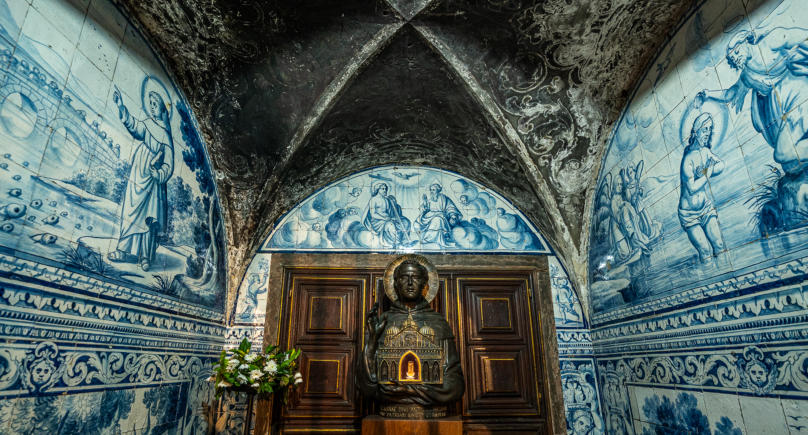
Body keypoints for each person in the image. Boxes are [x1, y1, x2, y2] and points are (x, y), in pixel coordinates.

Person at [358, 257, 464, 417]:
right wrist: (372, 341)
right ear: (395, 284)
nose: (409, 282)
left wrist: (408, 389)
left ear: (424, 285)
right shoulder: (382, 322)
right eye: (403, 277)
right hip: (389, 411)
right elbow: (366, 386)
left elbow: (455, 384)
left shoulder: (438, 323)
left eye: (415, 277)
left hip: (431, 413)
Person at [696, 27, 808, 175]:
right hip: (783, 109)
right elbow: (730, 94)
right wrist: (707, 94)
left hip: (797, 96)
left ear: (745, 41)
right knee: (789, 164)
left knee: (783, 154)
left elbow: (803, 37)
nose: (735, 58)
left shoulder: (771, 42)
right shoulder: (747, 75)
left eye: (736, 51)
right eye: (732, 58)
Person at [108, 85, 174, 271]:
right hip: (138, 171)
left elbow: (169, 164)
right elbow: (134, 126)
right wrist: (122, 107)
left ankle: (145, 256)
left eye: (156, 104)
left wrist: (159, 174)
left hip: (153, 180)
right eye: (151, 104)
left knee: (148, 217)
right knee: (129, 210)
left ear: (163, 109)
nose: (153, 107)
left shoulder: (166, 137)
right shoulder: (147, 124)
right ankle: (123, 250)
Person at [678, 113, 725, 262]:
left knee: (719, 245)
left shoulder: (705, 152)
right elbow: (691, 188)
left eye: (710, 129)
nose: (708, 133)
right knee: (705, 252)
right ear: (696, 131)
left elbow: (721, 165)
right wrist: (707, 173)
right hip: (689, 214)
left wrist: (706, 171)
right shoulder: (687, 160)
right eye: (705, 129)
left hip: (705, 207)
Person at [362, 183, 411, 247]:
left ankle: (405, 241)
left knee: (406, 222)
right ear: (377, 190)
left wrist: (392, 216)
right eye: (382, 189)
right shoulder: (373, 199)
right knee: (390, 226)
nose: (385, 190)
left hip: (388, 219)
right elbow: (373, 214)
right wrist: (384, 218)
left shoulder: (386, 200)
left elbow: (390, 212)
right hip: (377, 221)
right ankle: (397, 243)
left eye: (385, 189)